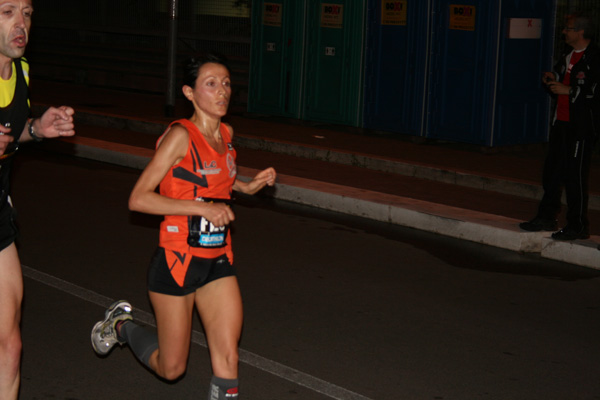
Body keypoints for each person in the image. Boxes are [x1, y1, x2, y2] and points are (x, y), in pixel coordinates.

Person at [91, 54, 276, 400]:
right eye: (211, 84)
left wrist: (247, 186)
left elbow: (214, 177)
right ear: (189, 93)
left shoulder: (226, 133)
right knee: (172, 368)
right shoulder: (180, 136)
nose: (222, 92)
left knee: (227, 356)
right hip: (177, 262)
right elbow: (138, 199)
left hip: (217, 259)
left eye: (226, 84)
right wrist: (201, 208)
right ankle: (121, 326)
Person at [0, 1, 75, 399]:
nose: (20, 24)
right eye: (6, 11)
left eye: (27, 13)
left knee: (9, 347)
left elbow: (13, 133)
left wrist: (38, 128)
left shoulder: (22, 71)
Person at [519, 11, 600, 241]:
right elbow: (563, 74)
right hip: (561, 123)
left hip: (581, 127)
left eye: (568, 28)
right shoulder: (568, 54)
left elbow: (594, 92)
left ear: (581, 32)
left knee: (575, 177)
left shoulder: (594, 58)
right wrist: (552, 76)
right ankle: (546, 216)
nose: (563, 31)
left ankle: (578, 226)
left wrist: (569, 91)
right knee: (552, 173)